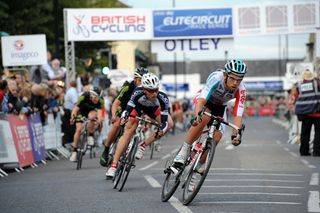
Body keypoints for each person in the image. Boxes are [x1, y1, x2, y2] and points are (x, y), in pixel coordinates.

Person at [172, 59, 247, 169]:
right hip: (205, 100)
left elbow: (238, 115)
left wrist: (236, 135)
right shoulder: (216, 78)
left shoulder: (242, 89)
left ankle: (196, 170)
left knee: (216, 137)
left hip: (220, 106)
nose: (235, 83)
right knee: (204, 118)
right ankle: (183, 152)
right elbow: (201, 100)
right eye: (232, 78)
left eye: (239, 80)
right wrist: (197, 116)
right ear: (225, 75)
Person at [106, 73, 174, 178]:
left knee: (170, 124)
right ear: (144, 89)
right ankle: (114, 166)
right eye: (151, 91)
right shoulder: (137, 91)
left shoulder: (163, 97)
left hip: (152, 110)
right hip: (137, 108)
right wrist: (124, 116)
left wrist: (162, 129)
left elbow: (164, 122)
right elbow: (128, 108)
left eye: (156, 90)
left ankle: (143, 145)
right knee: (128, 132)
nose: (154, 93)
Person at [99, 67, 148, 167]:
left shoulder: (148, 89)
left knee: (132, 131)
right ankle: (106, 149)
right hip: (122, 108)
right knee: (117, 124)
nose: (143, 82)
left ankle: (126, 154)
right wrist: (113, 115)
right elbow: (116, 103)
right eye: (141, 80)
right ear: (135, 79)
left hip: (135, 111)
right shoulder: (128, 86)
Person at [69, 86, 104, 162]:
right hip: (81, 112)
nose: (97, 100)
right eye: (95, 98)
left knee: (91, 117)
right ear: (91, 95)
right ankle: (74, 151)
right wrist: (72, 117)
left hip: (92, 112)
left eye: (98, 98)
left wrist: (99, 121)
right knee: (78, 129)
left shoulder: (101, 100)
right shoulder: (84, 96)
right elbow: (75, 109)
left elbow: (100, 114)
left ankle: (90, 135)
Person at [293, 69, 320, 156]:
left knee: (305, 133)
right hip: (317, 112)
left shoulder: (299, 86)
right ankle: (317, 151)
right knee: (318, 133)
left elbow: (296, 96)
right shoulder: (317, 84)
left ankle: (304, 151)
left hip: (305, 113)